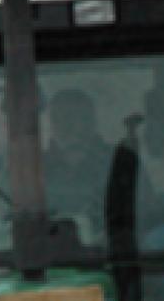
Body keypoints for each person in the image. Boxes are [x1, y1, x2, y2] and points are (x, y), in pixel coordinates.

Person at [44, 87, 113, 220]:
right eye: (68, 119)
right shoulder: (32, 169)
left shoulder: (122, 161)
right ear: (53, 123)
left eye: (85, 118)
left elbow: (147, 217)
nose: (78, 127)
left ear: (94, 121)